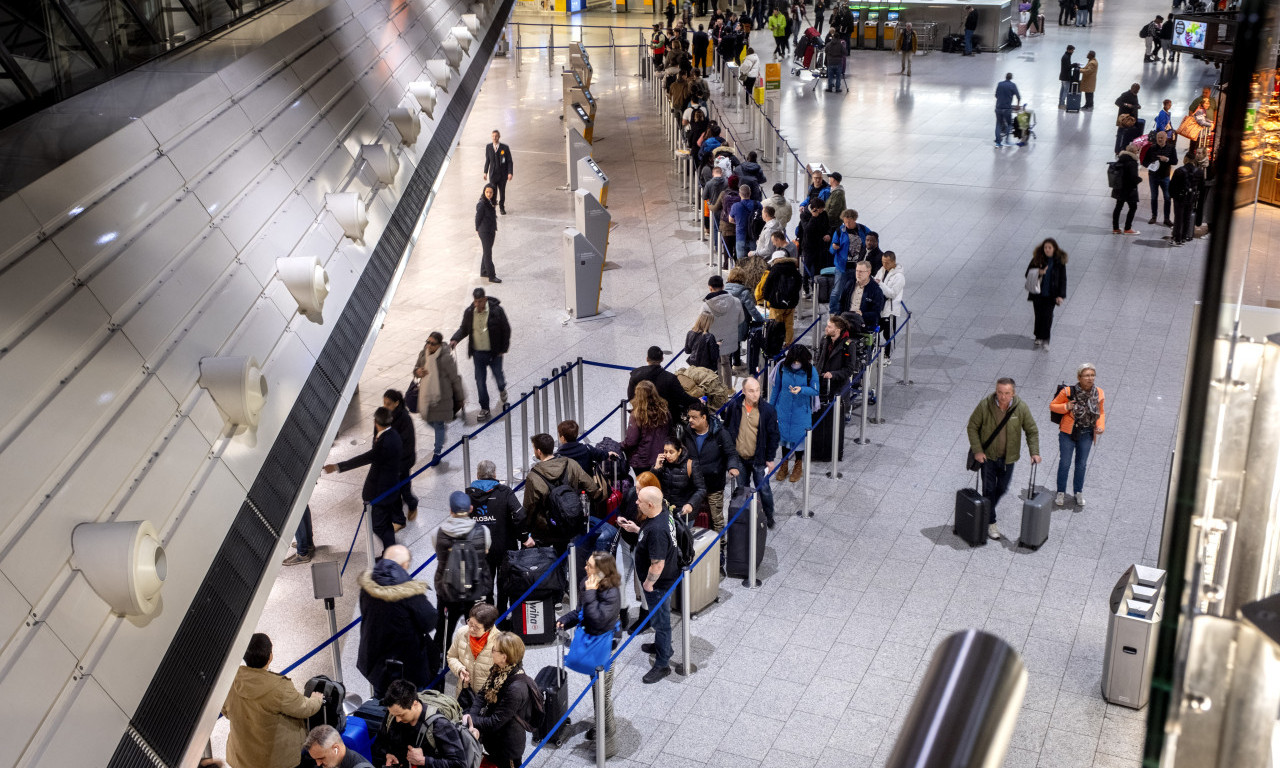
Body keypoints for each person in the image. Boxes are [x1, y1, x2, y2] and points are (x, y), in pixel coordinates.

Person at [222, 633, 323, 768]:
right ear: (270, 656)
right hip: (274, 761)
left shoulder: (230, 680)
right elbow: (304, 708)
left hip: (241, 758)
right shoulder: (279, 687)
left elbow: (226, 711)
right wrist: (316, 699)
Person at [556, 552, 623, 748]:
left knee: (602, 694)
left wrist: (590, 592)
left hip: (605, 649)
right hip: (591, 646)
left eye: (590, 566)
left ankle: (608, 739)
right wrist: (566, 620)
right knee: (596, 691)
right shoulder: (588, 583)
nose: (585, 568)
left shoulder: (611, 592)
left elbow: (597, 621)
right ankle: (601, 726)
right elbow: (581, 611)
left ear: (602, 570)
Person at [357, 544, 439, 696]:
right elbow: (429, 621)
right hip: (403, 665)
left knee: (382, 697)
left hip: (374, 658)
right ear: (404, 565)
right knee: (409, 700)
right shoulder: (409, 591)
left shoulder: (368, 584)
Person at [965, 378, 1041, 541]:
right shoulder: (985, 405)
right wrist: (978, 450)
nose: (1003, 396)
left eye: (1007, 393)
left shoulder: (1020, 408)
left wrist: (1034, 452)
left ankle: (985, 511)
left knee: (1002, 488)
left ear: (1013, 393)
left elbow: (1031, 430)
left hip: (1008, 458)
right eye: (999, 392)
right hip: (988, 457)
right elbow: (972, 427)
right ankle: (991, 522)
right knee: (989, 490)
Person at [616, 486, 679, 683]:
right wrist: (637, 530)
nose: (636, 502)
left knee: (661, 624)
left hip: (659, 584)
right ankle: (662, 646)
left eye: (640, 500)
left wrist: (649, 584)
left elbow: (657, 564)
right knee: (659, 620)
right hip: (665, 579)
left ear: (650, 505)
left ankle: (662, 664)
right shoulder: (661, 513)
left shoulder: (657, 531)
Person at [325, 407, 403, 551]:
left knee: (378, 526)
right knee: (385, 523)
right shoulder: (394, 435)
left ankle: (391, 553)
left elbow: (364, 458)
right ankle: (390, 552)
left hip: (381, 492)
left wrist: (336, 467)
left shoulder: (384, 444)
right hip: (391, 487)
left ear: (375, 422)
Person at [433, 491, 493, 659]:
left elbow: (439, 555)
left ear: (450, 510)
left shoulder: (437, 533)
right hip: (475, 591)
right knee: (478, 630)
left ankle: (441, 659)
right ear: (471, 509)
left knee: (443, 629)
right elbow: (486, 551)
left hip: (447, 591)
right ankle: (476, 658)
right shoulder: (483, 531)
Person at [463, 632, 534, 767]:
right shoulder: (499, 670)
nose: (491, 652)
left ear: (504, 657)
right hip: (494, 740)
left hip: (507, 748)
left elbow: (495, 721)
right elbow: (482, 694)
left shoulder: (516, 689)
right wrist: (472, 715)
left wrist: (472, 720)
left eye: (493, 650)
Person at [378, 679, 475, 768]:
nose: (397, 719)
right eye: (394, 715)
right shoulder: (394, 713)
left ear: (415, 704)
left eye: (401, 715)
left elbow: (460, 764)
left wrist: (424, 760)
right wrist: (388, 754)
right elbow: (381, 742)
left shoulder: (440, 725)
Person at [523, 432, 599, 543]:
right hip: (572, 521)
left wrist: (525, 531)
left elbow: (529, 507)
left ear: (539, 451)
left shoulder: (533, 477)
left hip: (547, 529)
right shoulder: (570, 463)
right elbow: (592, 488)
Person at [725, 377, 781, 528]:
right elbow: (727, 428)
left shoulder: (768, 410)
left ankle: (768, 516)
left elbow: (774, 436)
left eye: (757, 390)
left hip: (758, 459)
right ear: (743, 391)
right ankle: (745, 516)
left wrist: (770, 458)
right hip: (739, 458)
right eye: (751, 391)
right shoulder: (734, 406)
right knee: (742, 490)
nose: (755, 394)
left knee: (764, 489)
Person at [449, 287, 511, 422]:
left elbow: (506, 329)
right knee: (480, 382)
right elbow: (464, 329)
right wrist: (455, 339)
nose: (477, 304)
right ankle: (485, 408)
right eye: (475, 302)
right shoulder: (470, 312)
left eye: (480, 301)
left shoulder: (496, 311)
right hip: (478, 354)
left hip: (494, 353)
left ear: (485, 299)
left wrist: (503, 349)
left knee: (499, 377)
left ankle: (502, 389)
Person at [1050, 363, 1105, 508]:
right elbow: (1052, 406)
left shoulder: (1099, 392)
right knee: (1065, 463)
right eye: (1086, 375)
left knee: (1081, 465)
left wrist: (1100, 425)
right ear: (1079, 377)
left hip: (1087, 433)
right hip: (1068, 432)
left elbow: (1101, 411)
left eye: (1092, 375)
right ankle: (1061, 492)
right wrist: (1065, 407)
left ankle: (1078, 492)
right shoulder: (1068, 391)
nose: (1090, 378)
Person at [682, 400, 742, 532]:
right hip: (693, 485)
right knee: (689, 517)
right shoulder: (687, 433)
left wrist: (733, 467)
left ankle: (720, 543)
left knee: (717, 520)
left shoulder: (720, 433)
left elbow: (731, 453)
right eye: (689, 417)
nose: (690, 420)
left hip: (714, 484)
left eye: (694, 417)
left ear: (704, 417)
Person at [466, 460, 528, 585]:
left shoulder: (468, 495)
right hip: (504, 545)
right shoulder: (505, 492)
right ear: (494, 475)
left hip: (480, 548)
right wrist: (523, 537)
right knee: (505, 582)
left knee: (485, 584)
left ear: (477, 475)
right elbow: (520, 514)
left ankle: (488, 598)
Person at [414, 332, 465, 462]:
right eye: (428, 342)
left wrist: (460, 396)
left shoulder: (446, 359)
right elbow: (416, 369)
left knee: (438, 423)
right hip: (426, 395)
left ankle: (437, 452)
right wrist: (418, 372)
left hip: (442, 398)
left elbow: (455, 378)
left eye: (432, 343)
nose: (429, 345)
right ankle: (441, 433)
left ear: (439, 345)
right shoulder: (423, 354)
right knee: (427, 418)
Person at [771, 344, 819, 484]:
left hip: (801, 411)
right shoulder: (782, 367)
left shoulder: (810, 370)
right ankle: (784, 464)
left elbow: (815, 390)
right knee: (784, 438)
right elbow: (776, 389)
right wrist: (771, 409)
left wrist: (802, 390)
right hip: (783, 409)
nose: (796, 363)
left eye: (799, 361)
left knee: (799, 438)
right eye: (794, 360)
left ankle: (798, 464)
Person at [447, 602, 502, 710]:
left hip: (487, 699)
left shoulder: (500, 642)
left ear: (488, 628)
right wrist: (459, 669)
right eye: (470, 623)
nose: (471, 629)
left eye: (476, 627)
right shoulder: (462, 633)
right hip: (464, 693)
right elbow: (451, 656)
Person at [627, 346, 696, 422]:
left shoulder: (636, 375)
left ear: (647, 358)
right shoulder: (670, 378)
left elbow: (631, 397)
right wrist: (697, 401)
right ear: (662, 359)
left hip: (641, 416)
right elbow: (682, 398)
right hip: (665, 419)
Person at [621, 381, 673, 478]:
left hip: (642, 461)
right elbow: (670, 433)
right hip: (661, 457)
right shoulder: (665, 411)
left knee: (646, 485)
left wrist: (620, 445)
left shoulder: (636, 415)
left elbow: (631, 441)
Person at [383, 388, 419, 525]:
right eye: (384, 403)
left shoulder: (404, 418)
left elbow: (407, 444)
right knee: (399, 489)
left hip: (402, 462)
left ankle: (408, 508)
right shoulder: (388, 417)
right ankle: (400, 516)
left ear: (396, 403)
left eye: (388, 404)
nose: (385, 406)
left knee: (401, 490)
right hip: (393, 462)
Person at [1025, 238, 1067, 350]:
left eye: (1049, 248)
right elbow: (1027, 273)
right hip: (1038, 293)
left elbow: (1063, 279)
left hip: (1051, 295)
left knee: (1047, 316)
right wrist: (1039, 272)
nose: (1047, 250)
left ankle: (1046, 339)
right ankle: (1038, 336)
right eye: (1045, 247)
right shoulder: (1037, 259)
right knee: (1038, 315)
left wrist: (1061, 295)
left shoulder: (1059, 262)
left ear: (1054, 249)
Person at [652, 437, 707, 522]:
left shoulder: (691, 465)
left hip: (683, 512)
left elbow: (701, 489)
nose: (668, 455)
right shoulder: (662, 464)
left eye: (671, 452)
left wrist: (691, 504)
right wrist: (655, 468)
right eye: (665, 452)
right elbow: (651, 484)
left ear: (679, 451)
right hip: (664, 511)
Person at [758, 249, 803, 344]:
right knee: (789, 325)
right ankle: (788, 344)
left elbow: (767, 286)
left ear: (776, 259)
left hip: (776, 303)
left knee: (775, 325)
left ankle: (775, 344)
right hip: (791, 303)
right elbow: (799, 284)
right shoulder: (794, 269)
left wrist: (767, 298)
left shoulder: (775, 269)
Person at [828, 209, 861, 316]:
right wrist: (834, 247)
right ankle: (833, 311)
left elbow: (872, 239)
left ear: (854, 219)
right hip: (842, 267)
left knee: (853, 290)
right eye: (845, 222)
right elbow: (831, 250)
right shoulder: (839, 231)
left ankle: (849, 311)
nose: (847, 224)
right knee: (837, 290)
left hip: (857, 267)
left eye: (849, 222)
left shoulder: (862, 230)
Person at [874, 252, 905, 363]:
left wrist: (880, 284)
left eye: (887, 263)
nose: (884, 265)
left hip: (889, 310)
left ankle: (887, 357)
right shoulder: (882, 270)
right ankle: (875, 352)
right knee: (875, 331)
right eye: (883, 262)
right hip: (879, 308)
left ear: (893, 262)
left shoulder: (899, 277)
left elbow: (892, 294)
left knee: (889, 335)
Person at [816, 315, 857, 399]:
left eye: (829, 327)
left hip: (837, 385)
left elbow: (849, 369)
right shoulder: (824, 339)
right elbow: (818, 359)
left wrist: (833, 374)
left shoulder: (849, 345)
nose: (826, 329)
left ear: (838, 330)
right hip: (821, 382)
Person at [837, 261, 885, 330]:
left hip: (863, 322)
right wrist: (838, 317)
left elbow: (876, 313)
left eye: (861, 271)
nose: (858, 274)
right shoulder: (850, 284)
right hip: (846, 319)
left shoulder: (876, 290)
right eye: (857, 271)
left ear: (868, 273)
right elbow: (841, 302)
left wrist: (863, 314)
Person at [1144, 130, 1178, 226]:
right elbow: (1145, 161)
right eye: (1158, 138)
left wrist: (1166, 159)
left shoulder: (1171, 148)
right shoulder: (1152, 148)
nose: (1160, 139)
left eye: (1162, 138)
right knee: (1154, 197)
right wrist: (1150, 165)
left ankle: (1166, 219)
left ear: (1166, 138)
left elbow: (1175, 161)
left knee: (1167, 197)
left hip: (1165, 176)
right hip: (1153, 176)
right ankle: (1154, 216)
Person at [1170, 152, 1203, 247]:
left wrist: (1173, 196)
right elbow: (1201, 186)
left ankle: (1177, 239)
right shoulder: (1199, 172)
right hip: (1191, 198)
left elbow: (1172, 186)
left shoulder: (1179, 171)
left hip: (1179, 198)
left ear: (1186, 159)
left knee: (1178, 218)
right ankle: (1184, 237)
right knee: (1187, 217)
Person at [304, 724, 374, 768]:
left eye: (321, 758)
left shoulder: (361, 766)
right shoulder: (333, 762)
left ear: (336, 749)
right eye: (315, 759)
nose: (318, 764)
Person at [799, 197, 831, 293]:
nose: (822, 211)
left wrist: (828, 234)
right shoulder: (804, 215)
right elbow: (807, 230)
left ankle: (817, 288)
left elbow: (828, 226)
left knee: (819, 267)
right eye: (821, 209)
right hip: (809, 246)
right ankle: (806, 287)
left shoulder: (823, 214)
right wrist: (813, 217)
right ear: (814, 209)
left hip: (821, 244)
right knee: (807, 267)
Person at [1111, 142, 1142, 235]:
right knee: (1133, 207)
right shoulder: (1132, 162)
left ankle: (1115, 228)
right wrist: (1139, 179)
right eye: (1137, 150)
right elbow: (1133, 177)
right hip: (1129, 189)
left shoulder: (1121, 159)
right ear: (1134, 152)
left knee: (1118, 207)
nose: (1138, 151)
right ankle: (1127, 228)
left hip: (1119, 188)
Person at [483, 130, 513, 215]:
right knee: (492, 192)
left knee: (502, 192)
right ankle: (492, 207)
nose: (494, 138)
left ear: (499, 137)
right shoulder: (488, 147)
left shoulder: (505, 148)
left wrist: (510, 172)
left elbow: (509, 161)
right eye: (493, 136)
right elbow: (487, 160)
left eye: (496, 136)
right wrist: (485, 172)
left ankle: (501, 207)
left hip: (502, 175)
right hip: (493, 174)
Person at [728, 185, 761, 262]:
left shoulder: (735, 206)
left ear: (740, 194)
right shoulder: (757, 204)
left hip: (740, 237)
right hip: (754, 237)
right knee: (753, 263)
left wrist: (738, 222)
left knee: (741, 263)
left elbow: (730, 220)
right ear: (750, 193)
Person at [474, 184, 500, 283]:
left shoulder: (491, 202)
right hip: (484, 231)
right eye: (487, 192)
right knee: (488, 253)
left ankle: (484, 271)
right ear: (484, 192)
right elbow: (478, 217)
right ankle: (491, 276)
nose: (488, 194)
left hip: (491, 229)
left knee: (486, 251)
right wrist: (477, 228)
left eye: (491, 192)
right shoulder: (481, 204)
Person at [994, 73, 1021, 147]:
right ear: (1011, 78)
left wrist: (1001, 99)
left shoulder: (1000, 84)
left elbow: (996, 95)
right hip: (1007, 108)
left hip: (998, 107)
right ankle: (1007, 140)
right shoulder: (1013, 85)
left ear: (1005, 77)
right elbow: (1018, 97)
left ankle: (998, 142)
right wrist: (1018, 105)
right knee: (1009, 124)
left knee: (998, 124)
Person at [1114, 83, 1141, 154]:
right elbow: (1117, 102)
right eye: (1136, 90)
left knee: (1127, 135)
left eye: (1138, 90)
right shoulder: (1125, 94)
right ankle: (1118, 150)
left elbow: (1134, 104)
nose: (1137, 91)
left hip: (1131, 119)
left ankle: (1123, 148)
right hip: (1124, 119)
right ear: (1132, 88)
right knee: (1120, 134)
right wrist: (1126, 105)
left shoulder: (1135, 95)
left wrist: (1137, 106)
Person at [1057, 46, 1075, 110]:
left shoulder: (1066, 56)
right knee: (1065, 91)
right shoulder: (1066, 57)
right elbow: (1067, 67)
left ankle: (1060, 104)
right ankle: (1062, 104)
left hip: (1063, 76)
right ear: (1068, 50)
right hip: (1066, 77)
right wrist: (1074, 65)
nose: (1073, 52)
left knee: (1062, 90)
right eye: (1072, 50)